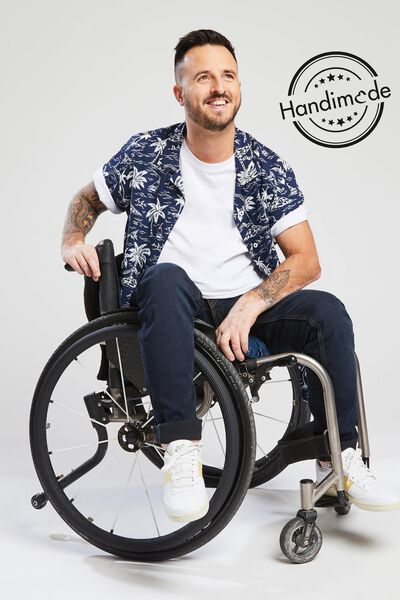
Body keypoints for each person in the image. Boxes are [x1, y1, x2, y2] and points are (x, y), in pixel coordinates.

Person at [61, 29, 400, 523]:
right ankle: (180, 450)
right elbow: (86, 199)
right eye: (203, 77)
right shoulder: (144, 153)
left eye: (228, 76)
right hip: (169, 303)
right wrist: (73, 238)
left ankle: (340, 455)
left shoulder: (266, 166)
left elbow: (306, 258)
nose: (219, 87)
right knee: (165, 277)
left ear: (239, 86)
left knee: (328, 313)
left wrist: (252, 302)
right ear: (179, 92)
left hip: (243, 306)